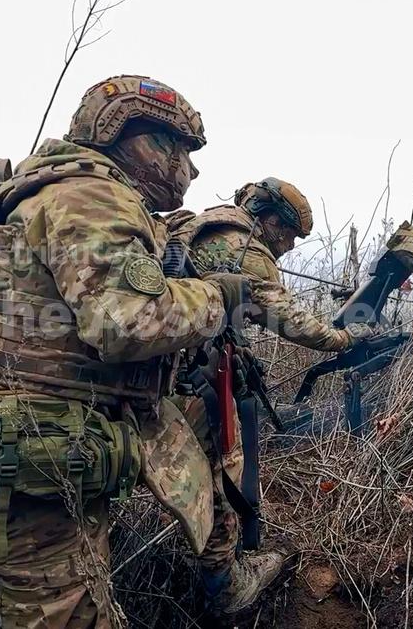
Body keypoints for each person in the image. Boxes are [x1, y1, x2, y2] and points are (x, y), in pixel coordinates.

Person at [0, 75, 250, 628]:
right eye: (183, 152)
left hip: (24, 434)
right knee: (63, 612)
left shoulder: (47, 187)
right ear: (145, 144)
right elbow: (128, 321)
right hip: (37, 445)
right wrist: (217, 297)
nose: (190, 171)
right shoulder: (91, 196)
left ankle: (224, 580)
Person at [167, 178, 375, 616]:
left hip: (158, 375)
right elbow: (289, 319)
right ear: (271, 220)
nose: (290, 246)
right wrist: (344, 337)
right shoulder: (247, 251)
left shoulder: (201, 226)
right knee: (222, 472)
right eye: (290, 235)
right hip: (190, 382)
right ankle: (226, 584)